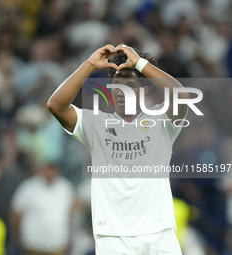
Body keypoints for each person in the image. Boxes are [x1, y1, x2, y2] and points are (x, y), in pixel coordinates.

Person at [47, 44, 189, 254]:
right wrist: (89, 65)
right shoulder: (94, 124)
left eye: (130, 85)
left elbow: (182, 97)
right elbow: (56, 105)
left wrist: (140, 63)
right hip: (113, 236)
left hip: (159, 232)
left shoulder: (161, 121)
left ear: (145, 90)